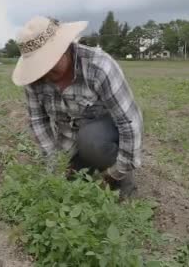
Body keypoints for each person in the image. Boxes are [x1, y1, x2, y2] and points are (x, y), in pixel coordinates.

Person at [12, 16, 143, 198]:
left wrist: (116, 173)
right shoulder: (35, 79)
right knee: (67, 193)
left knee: (92, 139)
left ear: (65, 48)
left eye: (49, 64)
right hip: (69, 143)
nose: (45, 74)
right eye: (39, 68)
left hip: (102, 138)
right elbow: (38, 120)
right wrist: (55, 165)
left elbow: (129, 122)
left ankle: (120, 178)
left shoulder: (99, 67)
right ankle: (84, 163)